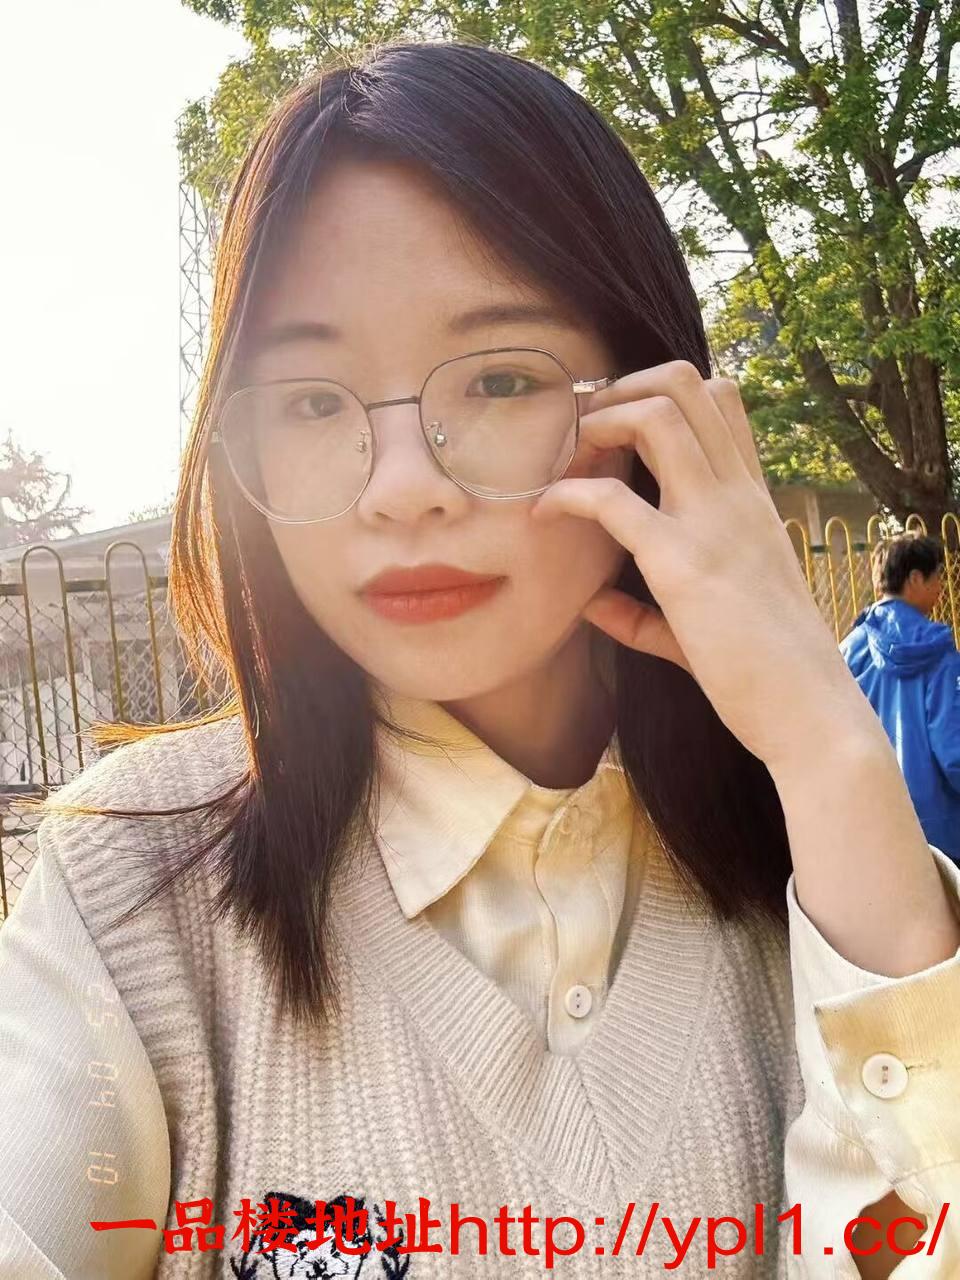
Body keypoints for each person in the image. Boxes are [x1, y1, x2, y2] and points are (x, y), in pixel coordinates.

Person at [0, 40, 958, 1280]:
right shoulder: (129, 892)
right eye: (310, 400)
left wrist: (831, 751)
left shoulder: (822, 876)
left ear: (657, 411)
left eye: (502, 378)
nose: (403, 487)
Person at [842, 534, 960, 864]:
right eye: (937, 576)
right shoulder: (940, 654)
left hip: (873, 823)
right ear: (915, 579)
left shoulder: (847, 652)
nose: (941, 586)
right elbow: (953, 751)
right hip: (941, 833)